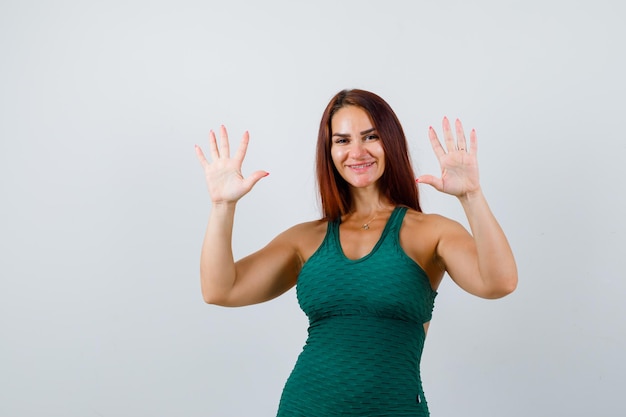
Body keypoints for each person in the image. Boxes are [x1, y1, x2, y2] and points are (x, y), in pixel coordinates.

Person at [194, 89, 517, 416]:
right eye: (342, 140)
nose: (357, 151)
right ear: (329, 151)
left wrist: (472, 196)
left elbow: (498, 282)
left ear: (390, 141)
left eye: (370, 136)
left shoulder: (430, 231)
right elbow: (220, 289)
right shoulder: (306, 239)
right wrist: (222, 205)